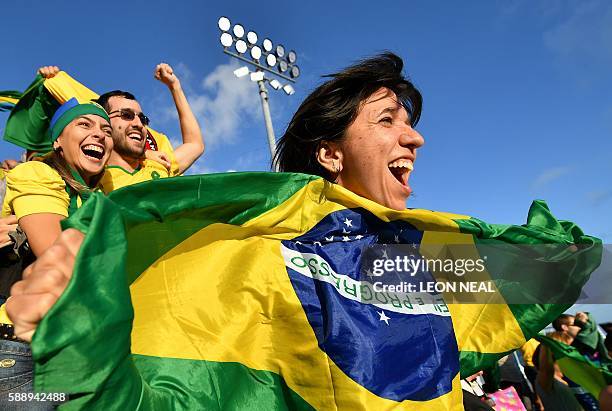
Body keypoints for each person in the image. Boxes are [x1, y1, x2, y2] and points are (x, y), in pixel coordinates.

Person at [0, 98, 112, 408]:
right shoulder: (37, 173)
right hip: (24, 354)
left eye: (106, 129)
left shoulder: (101, 199)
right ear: (58, 141)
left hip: (81, 354)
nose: (100, 134)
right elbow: (59, 260)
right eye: (84, 124)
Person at [37, 63, 205, 193]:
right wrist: (52, 80)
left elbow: (195, 145)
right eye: (126, 115)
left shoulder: (160, 164)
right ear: (104, 123)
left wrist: (174, 86)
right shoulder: (92, 181)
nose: (139, 124)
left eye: (143, 118)